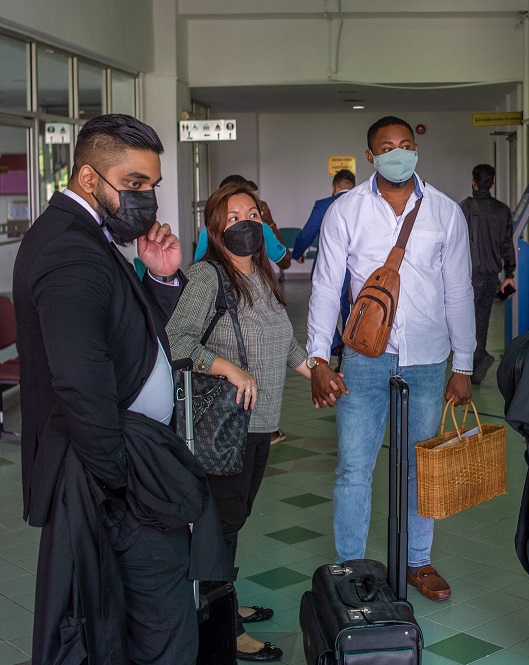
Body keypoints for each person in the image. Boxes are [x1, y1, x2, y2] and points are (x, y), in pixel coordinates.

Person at [13, 113, 231, 664]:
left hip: (124, 469)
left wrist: (157, 280)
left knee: (135, 623)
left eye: (152, 185)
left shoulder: (92, 237)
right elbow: (80, 383)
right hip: (117, 483)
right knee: (160, 630)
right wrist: (123, 482)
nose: (147, 198)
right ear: (90, 179)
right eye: (134, 184)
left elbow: (126, 340)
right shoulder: (70, 249)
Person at [307, 115, 475, 602]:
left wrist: (462, 366)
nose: (398, 153)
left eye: (405, 144)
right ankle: (351, 568)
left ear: (416, 148)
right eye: (387, 147)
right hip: (364, 357)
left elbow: (459, 292)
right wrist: (320, 357)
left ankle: (417, 562)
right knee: (353, 467)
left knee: (423, 466)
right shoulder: (346, 211)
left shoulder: (444, 212)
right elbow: (324, 286)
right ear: (371, 156)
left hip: (427, 360)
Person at [167, 181, 311, 662]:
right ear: (216, 227)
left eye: (252, 213)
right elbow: (177, 340)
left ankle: (223, 601)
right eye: (232, 217)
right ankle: (222, 627)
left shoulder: (264, 275)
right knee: (220, 529)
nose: (244, 222)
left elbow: (283, 340)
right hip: (223, 428)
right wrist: (227, 367)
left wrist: (316, 369)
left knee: (234, 520)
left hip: (258, 424)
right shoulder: (207, 277)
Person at [459, 164, 516, 384]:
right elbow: (507, 245)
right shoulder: (503, 210)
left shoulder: (465, 207)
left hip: (469, 276)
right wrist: (509, 274)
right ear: (492, 184)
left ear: (473, 182)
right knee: (481, 322)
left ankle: (478, 358)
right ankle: (475, 368)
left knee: (465, 322)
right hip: (492, 276)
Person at [294, 169, 357, 367]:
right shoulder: (363, 204)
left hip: (327, 268)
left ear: (333, 187)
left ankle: (336, 343)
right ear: (353, 185)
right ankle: (348, 353)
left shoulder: (323, 205)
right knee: (352, 311)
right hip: (357, 270)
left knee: (322, 305)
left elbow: (307, 234)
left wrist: (297, 254)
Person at [194, 175, 293, 271]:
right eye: (234, 218)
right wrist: (270, 222)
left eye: (253, 214)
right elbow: (285, 262)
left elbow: (285, 261)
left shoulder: (207, 231)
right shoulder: (262, 228)